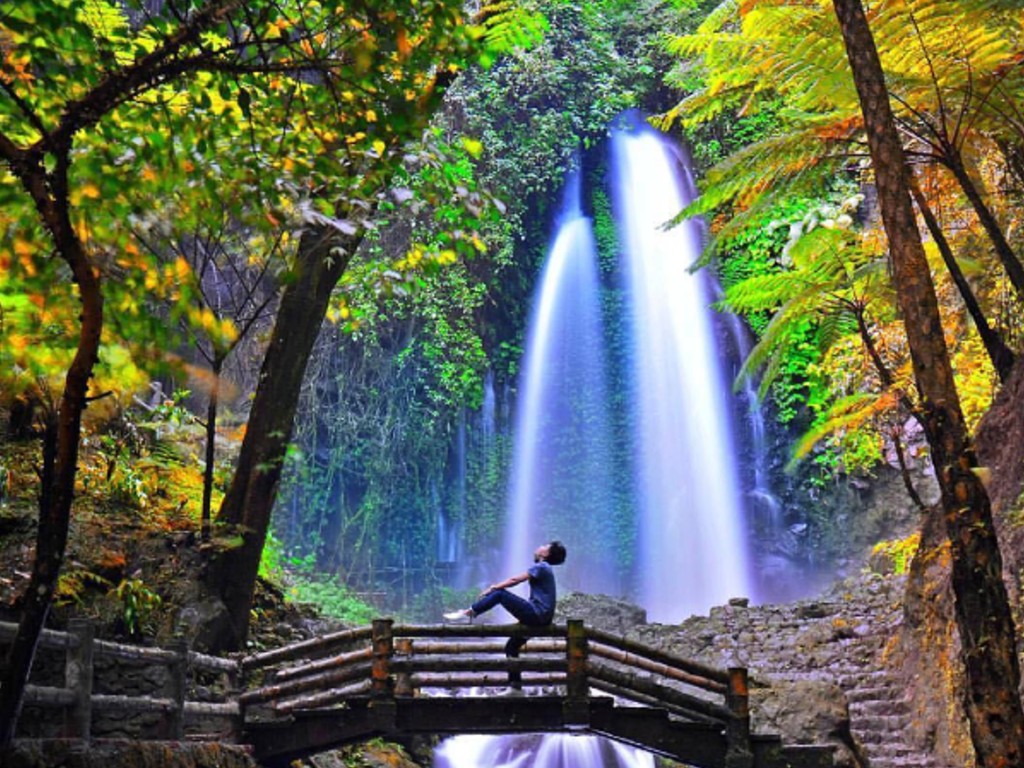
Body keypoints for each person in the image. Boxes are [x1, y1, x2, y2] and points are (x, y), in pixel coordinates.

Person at [443, 541, 567, 688]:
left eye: (544, 546)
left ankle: (469, 612)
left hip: (536, 615)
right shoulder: (545, 569)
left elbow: (516, 580)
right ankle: (515, 687)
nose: (539, 546)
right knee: (511, 647)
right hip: (541, 618)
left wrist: (494, 587)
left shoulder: (542, 566)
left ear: (546, 554)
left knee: (500, 594)